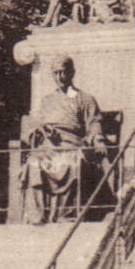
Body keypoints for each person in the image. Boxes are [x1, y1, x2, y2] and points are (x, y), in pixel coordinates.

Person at [20, 55, 105, 224]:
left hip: (72, 145)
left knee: (73, 163)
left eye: (63, 72)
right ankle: (36, 214)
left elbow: (94, 122)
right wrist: (42, 131)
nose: (59, 77)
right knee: (33, 163)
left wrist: (98, 140)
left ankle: (66, 214)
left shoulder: (85, 99)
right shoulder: (47, 101)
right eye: (55, 73)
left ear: (72, 73)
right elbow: (36, 126)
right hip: (48, 147)